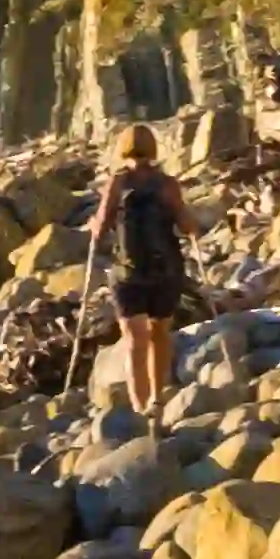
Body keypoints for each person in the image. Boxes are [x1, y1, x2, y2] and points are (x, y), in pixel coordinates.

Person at [85, 123, 203, 418]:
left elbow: (101, 225)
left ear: (123, 148)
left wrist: (93, 227)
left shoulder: (117, 183)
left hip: (128, 273)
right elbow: (186, 224)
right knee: (159, 333)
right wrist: (190, 224)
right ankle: (156, 399)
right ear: (152, 148)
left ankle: (140, 407)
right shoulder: (167, 184)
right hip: (165, 270)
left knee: (134, 339)